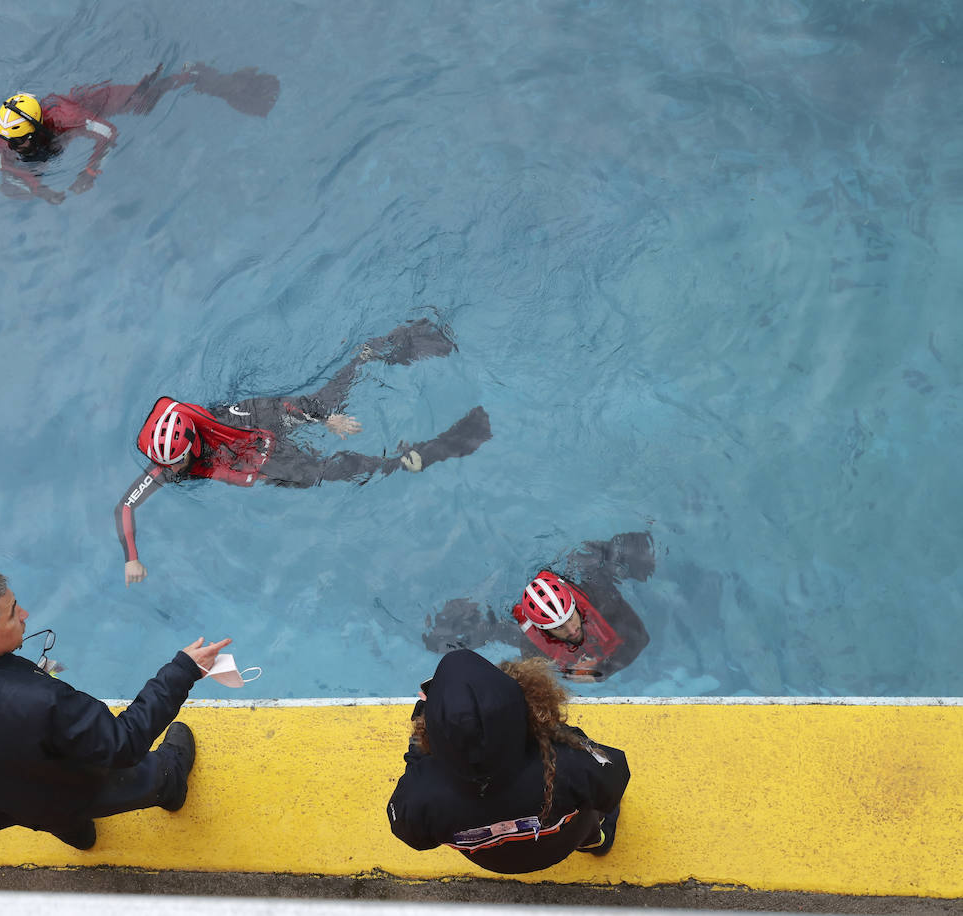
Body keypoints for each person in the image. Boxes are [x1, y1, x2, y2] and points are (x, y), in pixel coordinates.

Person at [115, 318, 493, 585]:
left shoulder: (224, 418)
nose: (168, 469)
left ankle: (375, 350)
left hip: (268, 435)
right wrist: (132, 558)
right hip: (260, 463)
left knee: (326, 418)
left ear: (190, 444)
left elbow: (277, 407)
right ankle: (405, 458)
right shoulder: (168, 466)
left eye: (173, 460)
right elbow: (126, 506)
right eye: (164, 463)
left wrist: (325, 420)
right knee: (320, 475)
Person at [0, 570, 232, 850]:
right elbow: (123, 744)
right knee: (147, 774)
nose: (25, 614)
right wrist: (184, 669)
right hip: (68, 791)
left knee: (53, 817)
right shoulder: (40, 701)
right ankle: (170, 787)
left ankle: (78, 836)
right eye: (13, 613)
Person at [386, 649, 629, 874]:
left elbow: (410, 833)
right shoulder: (565, 762)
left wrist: (422, 734)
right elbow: (615, 776)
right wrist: (558, 732)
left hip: (495, 862)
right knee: (592, 814)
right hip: (563, 843)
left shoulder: (421, 798)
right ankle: (596, 843)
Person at [0, 62, 280, 203]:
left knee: (146, 101)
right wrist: (40, 190)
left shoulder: (68, 117)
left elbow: (108, 133)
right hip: (62, 127)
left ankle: (193, 74)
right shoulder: (8, 134)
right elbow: (4, 165)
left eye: (20, 140)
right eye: (12, 140)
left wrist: (90, 172)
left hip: (95, 103)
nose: (14, 146)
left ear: (38, 125)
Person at [422, 532, 653, 681]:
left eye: (571, 618)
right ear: (545, 630)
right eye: (559, 627)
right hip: (510, 601)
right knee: (483, 632)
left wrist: (602, 670)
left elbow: (640, 637)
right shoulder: (531, 645)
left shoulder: (602, 598)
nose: (572, 630)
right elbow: (541, 683)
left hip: (579, 572)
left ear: (574, 606)